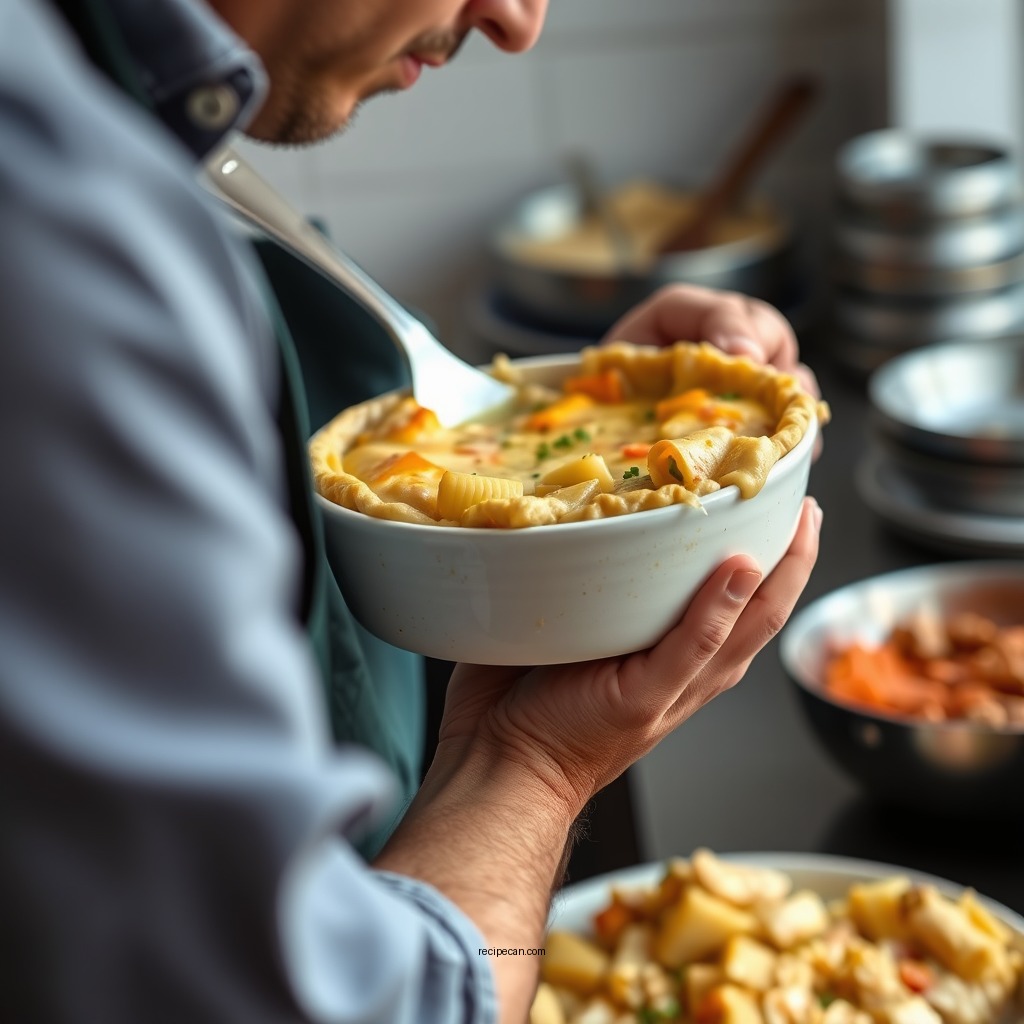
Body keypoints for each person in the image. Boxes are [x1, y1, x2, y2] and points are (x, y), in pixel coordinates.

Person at [0, 1, 823, 1022]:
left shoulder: (122, 143)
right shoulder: (56, 230)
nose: (518, 21)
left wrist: (589, 448)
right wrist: (536, 767)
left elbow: (421, 513)